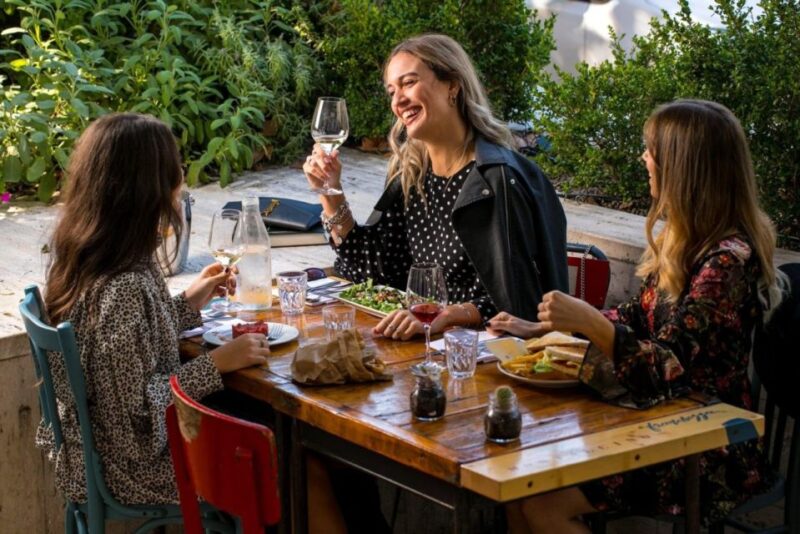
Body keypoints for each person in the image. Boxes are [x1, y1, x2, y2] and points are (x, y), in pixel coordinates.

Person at [489, 99, 786, 533]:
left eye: (651, 150)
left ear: (682, 167)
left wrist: (589, 323)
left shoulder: (726, 262)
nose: (643, 158)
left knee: (542, 505)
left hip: (704, 442)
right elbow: (639, 314)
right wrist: (547, 327)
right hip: (654, 421)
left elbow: (671, 365)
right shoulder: (684, 239)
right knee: (517, 485)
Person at [303, 33, 568, 340]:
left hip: (486, 359)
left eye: (409, 83)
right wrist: (329, 193)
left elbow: (518, 304)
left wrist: (445, 315)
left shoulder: (494, 181)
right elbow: (373, 270)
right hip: (424, 346)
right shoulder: (413, 176)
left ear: (452, 85)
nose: (397, 101)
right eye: (392, 90)